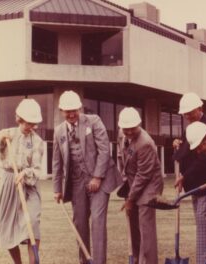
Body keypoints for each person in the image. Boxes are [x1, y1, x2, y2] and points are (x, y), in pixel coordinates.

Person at [52, 90, 122, 264]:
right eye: (67, 111)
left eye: (74, 110)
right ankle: (84, 261)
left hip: (100, 179)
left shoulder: (94, 121)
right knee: (80, 224)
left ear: (80, 108)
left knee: (97, 223)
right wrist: (57, 189)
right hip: (76, 183)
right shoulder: (58, 131)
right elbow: (56, 162)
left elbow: (105, 149)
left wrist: (97, 177)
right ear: (61, 111)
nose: (71, 114)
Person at [172, 92, 206, 264]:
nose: (187, 116)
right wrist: (178, 147)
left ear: (200, 108)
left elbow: (203, 160)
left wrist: (184, 175)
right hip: (194, 184)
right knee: (205, 221)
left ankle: (203, 260)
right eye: (184, 114)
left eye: (190, 112)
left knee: (202, 221)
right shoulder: (190, 127)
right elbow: (186, 153)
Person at [0, 99, 44, 264]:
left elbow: (37, 169)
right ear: (19, 119)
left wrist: (25, 173)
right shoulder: (7, 133)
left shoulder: (37, 141)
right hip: (8, 183)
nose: (31, 127)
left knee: (33, 223)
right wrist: (0, 139)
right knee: (7, 227)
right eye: (28, 123)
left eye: (34, 123)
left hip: (28, 185)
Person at [117, 107, 164, 264]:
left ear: (139, 124)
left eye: (132, 128)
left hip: (149, 185)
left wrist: (130, 200)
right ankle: (137, 258)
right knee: (133, 223)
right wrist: (124, 182)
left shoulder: (145, 143)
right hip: (132, 181)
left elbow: (143, 175)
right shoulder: (121, 134)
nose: (129, 131)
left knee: (145, 227)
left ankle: (148, 261)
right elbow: (121, 156)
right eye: (126, 128)